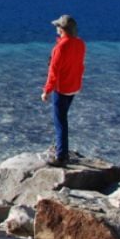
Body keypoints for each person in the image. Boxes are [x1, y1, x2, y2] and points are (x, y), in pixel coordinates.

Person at [41, 14, 86, 167]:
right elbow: (80, 66)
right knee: (63, 118)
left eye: (58, 26)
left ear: (62, 29)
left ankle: (61, 156)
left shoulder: (59, 48)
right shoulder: (80, 44)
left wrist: (46, 91)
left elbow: (53, 73)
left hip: (62, 89)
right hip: (73, 87)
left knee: (60, 122)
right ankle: (61, 148)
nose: (56, 28)